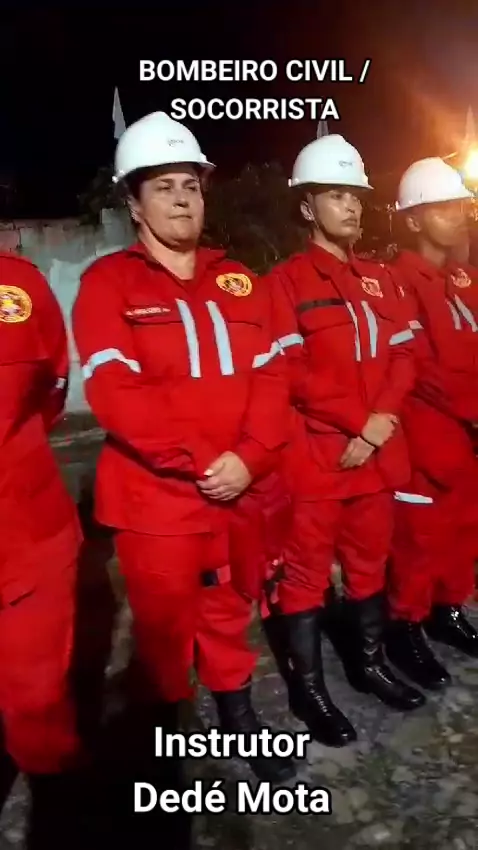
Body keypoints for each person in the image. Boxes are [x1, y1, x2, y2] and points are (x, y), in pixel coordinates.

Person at [72, 111, 295, 783]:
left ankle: (238, 716)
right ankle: (168, 736)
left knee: (229, 610)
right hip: (156, 502)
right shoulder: (109, 284)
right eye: (163, 187)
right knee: (164, 628)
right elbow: (116, 391)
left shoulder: (239, 279)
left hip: (237, 491)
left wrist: (250, 458)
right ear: (134, 204)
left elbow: (273, 375)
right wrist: (202, 462)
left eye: (190, 186)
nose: (181, 200)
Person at [261, 134, 425, 748]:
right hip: (318, 459)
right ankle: (310, 692)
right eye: (336, 195)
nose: (352, 206)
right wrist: (359, 423)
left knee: (367, 564)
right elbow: (292, 371)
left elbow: (405, 355)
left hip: (374, 457)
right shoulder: (285, 282)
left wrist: (378, 422)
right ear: (308, 207)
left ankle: (370, 665)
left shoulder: (380, 278)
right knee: (306, 575)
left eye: (355, 195)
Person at [385, 157, 478, 689]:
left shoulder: (464, 278)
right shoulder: (398, 281)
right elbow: (422, 370)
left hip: (466, 440)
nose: (456, 215)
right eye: (441, 207)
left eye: (459, 205)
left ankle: (448, 610)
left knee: (464, 532)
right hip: (425, 437)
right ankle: (405, 628)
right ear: (413, 219)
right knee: (419, 541)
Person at [0, 251, 84, 844]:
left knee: (40, 693)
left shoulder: (18, 285)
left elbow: (51, 387)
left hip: (25, 532)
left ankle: (56, 805)